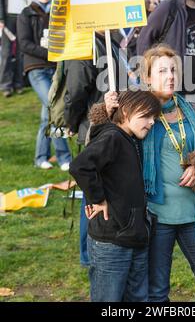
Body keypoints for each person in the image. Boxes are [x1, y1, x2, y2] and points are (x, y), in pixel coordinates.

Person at [105, 44, 195, 302]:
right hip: (156, 218)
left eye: (173, 70)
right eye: (162, 71)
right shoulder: (134, 116)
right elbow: (105, 145)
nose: (170, 76)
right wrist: (108, 114)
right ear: (148, 78)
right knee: (156, 293)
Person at [69, 90, 161, 302]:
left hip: (134, 235)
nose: (151, 122)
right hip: (112, 241)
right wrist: (98, 198)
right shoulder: (112, 137)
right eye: (146, 116)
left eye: (154, 117)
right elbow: (81, 166)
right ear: (127, 112)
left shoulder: (130, 138)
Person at [64, 32, 135, 267]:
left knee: (109, 185)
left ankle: (105, 244)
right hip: (94, 126)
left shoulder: (110, 41)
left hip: (116, 127)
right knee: (91, 190)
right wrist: (73, 122)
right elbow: (75, 90)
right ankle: (88, 254)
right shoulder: (85, 43)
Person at [17, 0, 71, 170]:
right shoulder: (26, 13)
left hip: (56, 69)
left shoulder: (57, 13)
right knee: (54, 106)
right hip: (36, 68)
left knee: (46, 116)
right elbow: (24, 44)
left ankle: (41, 157)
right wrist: (49, 53)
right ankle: (64, 157)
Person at [0, 0, 32, 97]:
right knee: (6, 53)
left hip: (23, 19)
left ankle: (19, 83)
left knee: (21, 52)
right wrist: (0, 19)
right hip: (8, 20)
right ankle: (6, 85)